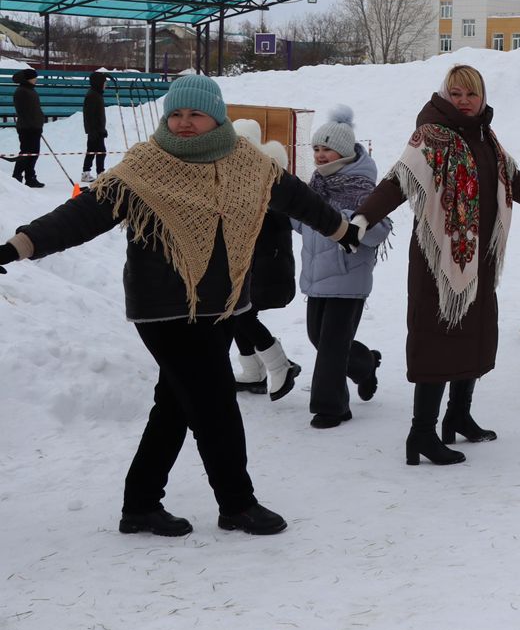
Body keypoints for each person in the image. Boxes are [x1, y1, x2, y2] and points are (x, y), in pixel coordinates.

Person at [0, 74, 359, 536]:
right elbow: (82, 215)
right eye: (176, 113)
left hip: (222, 305)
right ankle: (237, 503)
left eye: (195, 113)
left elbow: (297, 198)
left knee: (173, 405)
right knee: (214, 405)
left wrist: (341, 231)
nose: (184, 123)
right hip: (164, 309)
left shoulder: (247, 162)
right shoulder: (145, 166)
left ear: (217, 116)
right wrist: (18, 246)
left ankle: (141, 504)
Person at [355, 64, 520, 466]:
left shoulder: (486, 137)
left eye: (471, 94)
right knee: (437, 339)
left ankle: (459, 416)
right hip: (438, 259)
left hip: (478, 256)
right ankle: (422, 434)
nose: (464, 102)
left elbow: (513, 179)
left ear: (482, 98)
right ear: (445, 96)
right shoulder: (430, 136)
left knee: (474, 334)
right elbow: (398, 181)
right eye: (456, 94)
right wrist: (364, 216)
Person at [298, 106, 392, 429]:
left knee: (331, 347)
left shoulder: (362, 188)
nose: (320, 155)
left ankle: (332, 406)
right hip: (316, 279)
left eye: (327, 149)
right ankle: (365, 364)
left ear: (344, 151)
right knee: (317, 338)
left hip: (348, 280)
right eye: (317, 149)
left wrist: (356, 224)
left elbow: (381, 230)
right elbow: (305, 226)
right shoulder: (315, 186)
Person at [222, 118, 304, 402]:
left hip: (264, 265)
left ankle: (279, 364)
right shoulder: (245, 178)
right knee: (238, 313)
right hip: (254, 263)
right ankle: (253, 372)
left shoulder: (264, 179)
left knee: (239, 312)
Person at [11, 68, 44, 187]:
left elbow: (35, 110)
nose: (35, 80)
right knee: (26, 153)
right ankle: (17, 177)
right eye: (34, 78)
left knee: (34, 153)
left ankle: (30, 177)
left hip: (34, 126)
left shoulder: (31, 90)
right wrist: (33, 123)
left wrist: (39, 121)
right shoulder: (21, 91)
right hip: (27, 128)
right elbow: (24, 111)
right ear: (28, 79)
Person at [81, 70, 108, 183]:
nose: (106, 85)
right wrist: (93, 131)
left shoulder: (97, 94)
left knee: (93, 150)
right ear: (98, 83)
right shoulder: (92, 96)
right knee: (100, 151)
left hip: (98, 129)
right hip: (95, 131)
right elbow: (90, 115)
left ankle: (87, 172)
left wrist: (102, 128)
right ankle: (99, 173)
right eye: (104, 83)